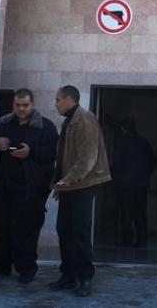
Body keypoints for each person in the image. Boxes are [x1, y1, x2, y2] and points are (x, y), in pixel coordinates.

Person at [0, 88, 58, 284]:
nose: (21, 109)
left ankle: (27, 268)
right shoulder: (5, 124)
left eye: (25, 105)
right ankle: (1, 264)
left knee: (27, 230)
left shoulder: (45, 127)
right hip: (4, 187)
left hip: (31, 189)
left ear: (32, 105)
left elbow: (53, 152)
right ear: (13, 105)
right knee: (0, 226)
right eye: (18, 105)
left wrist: (31, 152)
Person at [48, 85, 111, 298]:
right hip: (69, 186)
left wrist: (69, 179)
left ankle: (85, 277)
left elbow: (87, 157)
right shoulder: (69, 121)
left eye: (58, 100)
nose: (56, 104)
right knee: (64, 230)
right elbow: (64, 158)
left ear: (69, 99)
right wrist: (60, 183)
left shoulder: (85, 120)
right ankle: (68, 275)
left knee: (80, 232)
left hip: (81, 186)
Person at [111, 119, 156, 247]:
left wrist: (116, 177)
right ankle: (142, 240)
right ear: (135, 127)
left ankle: (127, 240)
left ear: (123, 129)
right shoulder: (143, 141)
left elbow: (117, 164)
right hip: (141, 184)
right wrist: (146, 173)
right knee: (140, 213)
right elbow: (153, 159)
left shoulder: (121, 142)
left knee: (126, 214)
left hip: (125, 184)